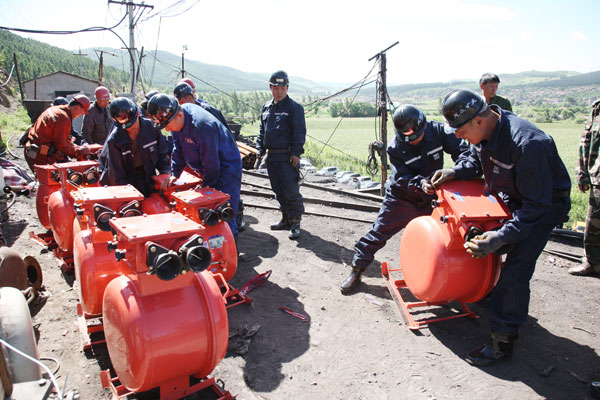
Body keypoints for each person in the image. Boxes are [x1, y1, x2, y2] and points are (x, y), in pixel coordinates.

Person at [432, 89, 571, 366]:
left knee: (515, 273)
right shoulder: (483, 133)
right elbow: (474, 161)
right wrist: (455, 172)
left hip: (540, 209)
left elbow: (536, 208)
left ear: (479, 121)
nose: (457, 136)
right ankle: (492, 294)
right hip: (509, 196)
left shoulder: (528, 144)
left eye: (460, 130)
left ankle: (502, 341)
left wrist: (501, 236)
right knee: (483, 243)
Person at [339, 105, 478, 293]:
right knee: (378, 233)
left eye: (416, 136)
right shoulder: (395, 148)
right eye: (407, 138)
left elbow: (464, 154)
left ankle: (455, 275)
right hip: (402, 197)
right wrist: (420, 184)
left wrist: (454, 172)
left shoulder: (439, 131)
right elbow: (400, 178)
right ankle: (357, 269)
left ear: (424, 126)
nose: (412, 141)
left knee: (448, 235)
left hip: (432, 197)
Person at [147, 94, 242, 237]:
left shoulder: (202, 126)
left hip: (226, 168)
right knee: (206, 213)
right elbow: (178, 149)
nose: (167, 130)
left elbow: (212, 164)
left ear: (179, 115)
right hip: (207, 166)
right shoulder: (176, 121)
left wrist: (206, 186)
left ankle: (231, 248)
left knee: (223, 212)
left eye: (167, 125)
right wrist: (174, 174)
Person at [255, 70, 306, 240]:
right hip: (272, 157)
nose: (279, 91)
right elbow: (262, 131)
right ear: (270, 87)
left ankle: (295, 223)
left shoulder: (294, 108)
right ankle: (285, 219)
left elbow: (299, 132)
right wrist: (259, 149)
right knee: (278, 190)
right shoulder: (266, 107)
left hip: (287, 157)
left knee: (291, 191)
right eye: (276, 88)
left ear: (287, 88)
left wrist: (296, 153)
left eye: (282, 88)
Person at [98, 97, 170, 197]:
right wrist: (128, 196)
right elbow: (117, 175)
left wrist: (165, 175)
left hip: (149, 175)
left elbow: (162, 156)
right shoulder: (114, 141)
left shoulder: (153, 128)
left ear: (138, 115)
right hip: (127, 179)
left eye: (132, 126)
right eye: (126, 128)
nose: (130, 130)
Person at [23, 94, 93, 172]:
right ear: (76, 108)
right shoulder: (63, 118)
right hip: (39, 155)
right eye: (82, 113)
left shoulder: (55, 109)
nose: (80, 115)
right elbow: (61, 144)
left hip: (33, 150)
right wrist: (78, 151)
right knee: (46, 181)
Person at [571, 99, 600, 276]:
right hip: (598, 177)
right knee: (594, 223)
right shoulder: (598, 108)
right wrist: (582, 174)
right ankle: (593, 262)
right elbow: (586, 140)